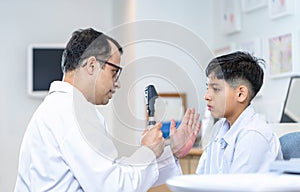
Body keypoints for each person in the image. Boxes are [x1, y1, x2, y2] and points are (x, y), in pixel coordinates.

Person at [14, 28, 200, 192]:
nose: (117, 83)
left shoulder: (57, 108)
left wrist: (169, 151)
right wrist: (148, 151)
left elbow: (114, 171)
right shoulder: (73, 112)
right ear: (92, 65)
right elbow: (115, 186)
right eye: (114, 72)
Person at [196, 51, 282, 174]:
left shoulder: (253, 136)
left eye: (216, 89)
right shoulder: (218, 129)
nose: (207, 96)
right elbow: (200, 179)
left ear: (241, 94)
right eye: (207, 88)